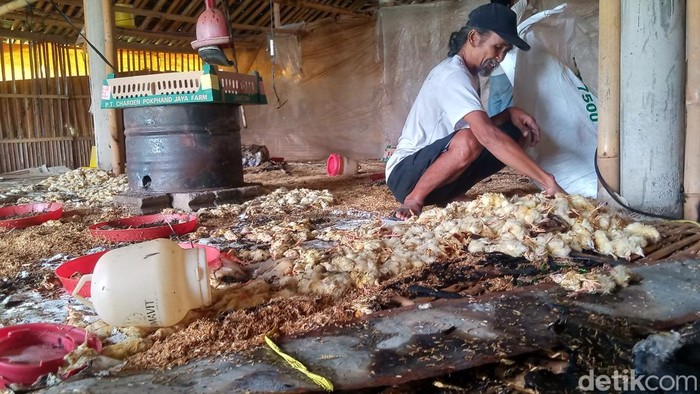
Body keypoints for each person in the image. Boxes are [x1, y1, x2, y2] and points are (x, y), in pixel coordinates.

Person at [385, 3, 565, 221]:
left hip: (435, 172)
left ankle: (447, 195)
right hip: (404, 175)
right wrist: (548, 182)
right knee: (474, 138)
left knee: (513, 131)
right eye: (497, 47)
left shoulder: (471, 74)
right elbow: (484, 135)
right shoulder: (453, 75)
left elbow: (480, 129)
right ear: (473, 38)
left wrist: (508, 114)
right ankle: (415, 199)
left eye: (505, 51)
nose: (500, 57)